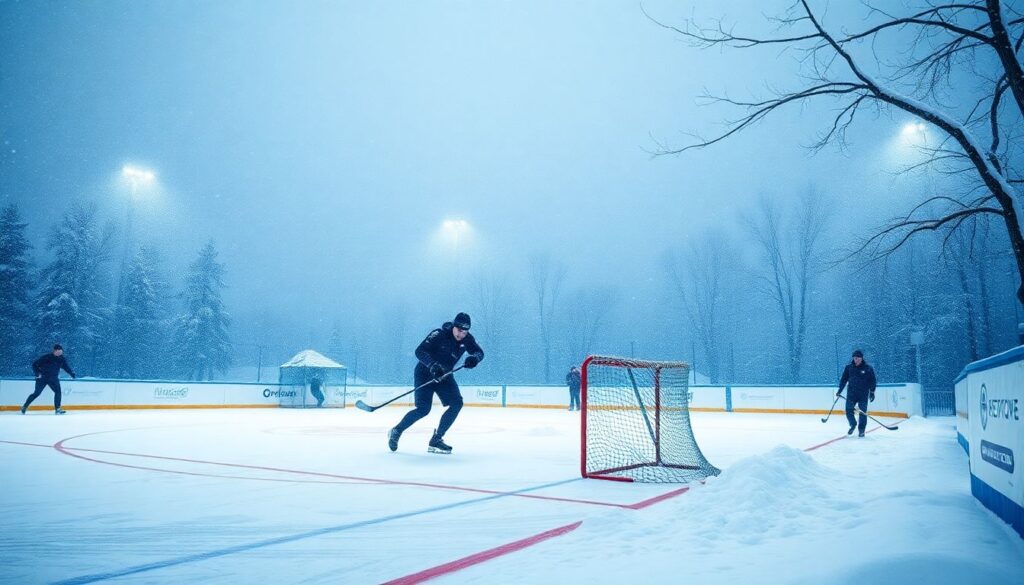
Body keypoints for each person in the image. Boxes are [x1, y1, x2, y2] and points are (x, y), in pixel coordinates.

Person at [388, 312, 483, 454]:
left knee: (457, 403)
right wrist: (432, 365)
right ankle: (396, 431)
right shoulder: (439, 334)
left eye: (465, 332)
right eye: (459, 330)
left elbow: (480, 353)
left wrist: (474, 359)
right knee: (423, 409)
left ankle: (436, 439)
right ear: (454, 326)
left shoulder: (468, 339)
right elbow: (419, 351)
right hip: (425, 373)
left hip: (445, 376)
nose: (461, 334)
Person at [23, 344, 76, 415]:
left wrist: (71, 373)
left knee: (58, 392)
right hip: (42, 378)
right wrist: (37, 373)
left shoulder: (61, 359)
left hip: (53, 379)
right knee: (37, 393)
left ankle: (58, 409)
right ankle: (25, 406)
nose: (60, 353)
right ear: (54, 351)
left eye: (61, 352)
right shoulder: (46, 357)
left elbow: (66, 367)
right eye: (58, 351)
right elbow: (34, 364)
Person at [836, 349, 877, 437]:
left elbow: (872, 380)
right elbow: (843, 380)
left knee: (863, 412)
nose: (856, 359)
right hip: (851, 393)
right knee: (848, 410)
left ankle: (861, 430)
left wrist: (872, 392)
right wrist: (840, 390)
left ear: (861, 358)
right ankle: (853, 424)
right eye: (854, 358)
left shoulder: (868, 368)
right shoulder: (849, 368)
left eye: (858, 358)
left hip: (863, 394)